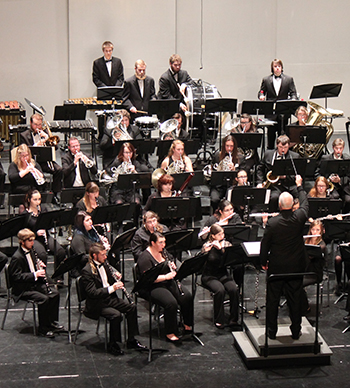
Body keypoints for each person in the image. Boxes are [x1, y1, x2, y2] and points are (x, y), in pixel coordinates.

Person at [260, 175, 308, 340]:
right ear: (293, 206)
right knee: (295, 300)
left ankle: (271, 332)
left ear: (279, 205)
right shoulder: (299, 217)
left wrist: (263, 262)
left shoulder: (272, 223)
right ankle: (296, 331)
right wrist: (299, 186)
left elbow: (264, 246)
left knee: (273, 300)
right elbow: (306, 203)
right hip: (295, 267)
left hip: (277, 267)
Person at [81, 243, 147, 356]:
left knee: (132, 308)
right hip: (97, 303)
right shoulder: (87, 271)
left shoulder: (105, 264)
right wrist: (113, 287)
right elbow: (92, 293)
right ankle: (113, 343)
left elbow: (109, 281)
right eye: (102, 255)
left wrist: (115, 278)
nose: (105, 257)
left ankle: (131, 339)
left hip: (110, 299)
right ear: (94, 256)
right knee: (116, 315)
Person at [137, 232, 193, 342]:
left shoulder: (163, 252)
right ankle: (170, 332)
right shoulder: (145, 258)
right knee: (171, 303)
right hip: (152, 286)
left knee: (187, 296)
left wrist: (172, 265)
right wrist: (166, 277)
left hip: (166, 282)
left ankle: (187, 324)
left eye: (164, 242)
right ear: (153, 243)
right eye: (160, 243)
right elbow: (148, 279)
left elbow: (170, 262)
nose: (163, 245)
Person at [8, 228, 63, 338]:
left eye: (33, 240)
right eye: (30, 241)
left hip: (33, 284)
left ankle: (51, 322)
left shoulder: (32, 251)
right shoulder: (17, 257)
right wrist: (35, 275)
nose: (32, 243)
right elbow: (16, 277)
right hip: (23, 289)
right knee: (44, 299)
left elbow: (32, 265)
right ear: (22, 242)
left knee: (54, 294)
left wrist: (38, 264)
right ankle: (43, 329)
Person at [20, 190, 66, 281]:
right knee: (42, 254)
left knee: (61, 251)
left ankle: (58, 277)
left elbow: (49, 223)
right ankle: (43, 279)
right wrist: (35, 232)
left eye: (39, 199)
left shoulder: (43, 210)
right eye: (35, 199)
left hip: (45, 236)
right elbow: (23, 231)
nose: (38, 202)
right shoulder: (25, 214)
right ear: (29, 200)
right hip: (33, 239)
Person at [202, 224, 239, 328]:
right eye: (219, 234)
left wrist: (221, 250)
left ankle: (233, 319)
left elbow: (230, 261)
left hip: (222, 274)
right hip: (209, 275)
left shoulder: (226, 244)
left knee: (233, 289)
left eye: (222, 233)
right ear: (213, 236)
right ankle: (219, 319)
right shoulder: (207, 245)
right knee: (220, 290)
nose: (222, 236)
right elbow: (200, 264)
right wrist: (205, 252)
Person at [20, 113, 63, 198]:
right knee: (36, 174)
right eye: (35, 124)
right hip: (31, 162)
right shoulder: (24, 135)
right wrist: (36, 145)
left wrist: (47, 138)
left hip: (45, 161)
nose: (38, 127)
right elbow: (23, 151)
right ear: (31, 123)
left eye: (39, 125)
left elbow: (56, 147)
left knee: (59, 170)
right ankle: (37, 194)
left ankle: (55, 194)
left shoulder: (45, 132)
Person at [258, 59, 298, 149]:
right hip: (271, 113)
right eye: (275, 66)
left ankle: (282, 158)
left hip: (283, 112)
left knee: (283, 137)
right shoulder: (266, 79)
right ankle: (270, 157)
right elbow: (261, 91)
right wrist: (261, 95)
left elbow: (293, 93)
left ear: (282, 67)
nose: (277, 68)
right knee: (270, 137)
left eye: (279, 66)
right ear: (272, 68)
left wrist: (293, 100)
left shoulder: (289, 79)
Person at [256, 135, 300, 211]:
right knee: (273, 198)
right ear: (276, 145)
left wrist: (285, 177)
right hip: (275, 186)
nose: (283, 150)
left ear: (289, 146)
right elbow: (260, 168)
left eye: (285, 147)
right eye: (280, 147)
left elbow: (297, 174)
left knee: (301, 196)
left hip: (289, 184)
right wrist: (260, 182)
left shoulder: (295, 156)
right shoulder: (268, 154)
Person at [210, 135, 244, 211]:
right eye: (227, 146)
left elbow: (243, 173)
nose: (229, 148)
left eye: (231, 146)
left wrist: (234, 169)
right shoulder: (217, 156)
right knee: (214, 199)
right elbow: (213, 171)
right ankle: (217, 214)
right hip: (219, 186)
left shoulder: (240, 157)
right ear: (223, 146)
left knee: (231, 199)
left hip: (233, 185)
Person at [317, 138, 350, 212]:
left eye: (340, 148)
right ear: (333, 148)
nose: (338, 151)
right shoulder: (326, 158)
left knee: (348, 200)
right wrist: (326, 180)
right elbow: (318, 172)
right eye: (336, 148)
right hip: (330, 185)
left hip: (343, 186)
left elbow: (348, 176)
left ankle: (344, 217)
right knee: (334, 198)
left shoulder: (347, 159)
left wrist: (339, 180)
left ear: (343, 148)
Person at [302, 219, 326, 313]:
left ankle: (305, 306)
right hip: (303, 270)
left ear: (321, 232)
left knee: (297, 283)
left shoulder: (321, 246)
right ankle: (296, 302)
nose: (315, 232)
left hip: (313, 273)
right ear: (310, 230)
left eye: (317, 230)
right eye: (313, 229)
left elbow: (309, 258)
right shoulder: (305, 240)